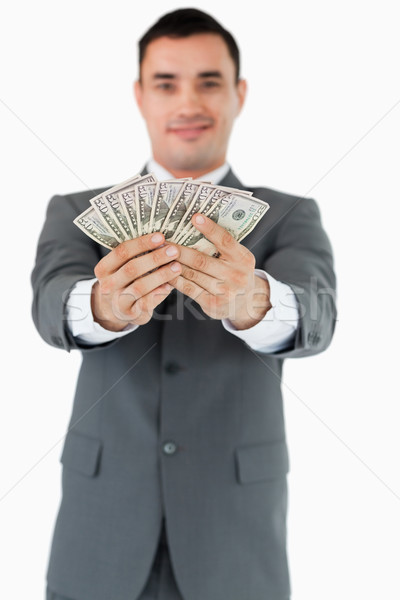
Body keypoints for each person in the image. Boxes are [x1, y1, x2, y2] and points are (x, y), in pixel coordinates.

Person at [31, 8, 336, 600]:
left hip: (235, 539)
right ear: (140, 95)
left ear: (239, 93)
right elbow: (49, 306)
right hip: (100, 535)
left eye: (209, 81)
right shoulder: (75, 211)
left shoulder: (290, 217)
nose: (188, 102)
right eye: (167, 83)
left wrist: (255, 300)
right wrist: (101, 306)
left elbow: (317, 316)